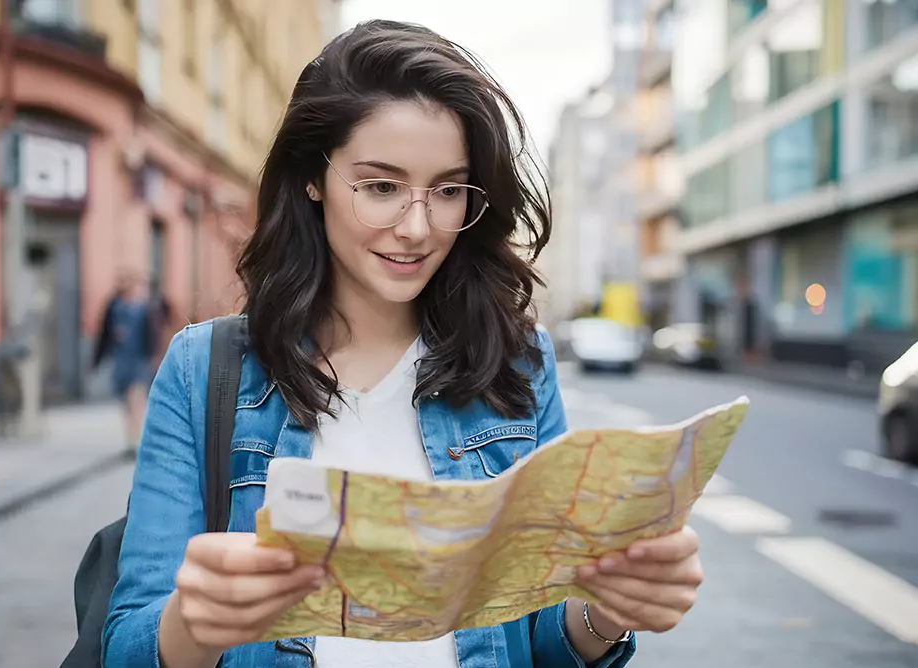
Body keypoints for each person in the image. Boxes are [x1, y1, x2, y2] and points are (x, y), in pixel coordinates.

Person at [104, 20, 705, 668]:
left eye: (448, 190)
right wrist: (196, 622)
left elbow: (539, 643)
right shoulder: (203, 374)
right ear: (314, 177)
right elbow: (126, 647)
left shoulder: (518, 368)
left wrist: (606, 610)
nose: (418, 227)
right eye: (382, 187)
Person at [93, 272, 170, 456]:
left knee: (136, 397)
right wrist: (97, 360)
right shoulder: (114, 307)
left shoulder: (147, 308)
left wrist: (156, 356)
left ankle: (138, 440)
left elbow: (157, 333)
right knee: (126, 402)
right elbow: (104, 335)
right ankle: (132, 438)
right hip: (121, 359)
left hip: (140, 359)